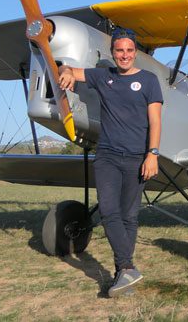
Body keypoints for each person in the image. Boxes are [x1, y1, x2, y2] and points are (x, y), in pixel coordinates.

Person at [58, 29, 163, 298]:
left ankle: (121, 275)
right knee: (108, 212)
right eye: (119, 51)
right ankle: (128, 267)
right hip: (107, 155)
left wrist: (152, 154)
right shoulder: (103, 76)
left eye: (129, 50)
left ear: (135, 52)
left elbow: (155, 121)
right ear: (112, 53)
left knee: (129, 217)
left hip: (137, 158)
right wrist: (67, 70)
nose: (124, 55)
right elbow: (71, 69)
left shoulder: (149, 81)